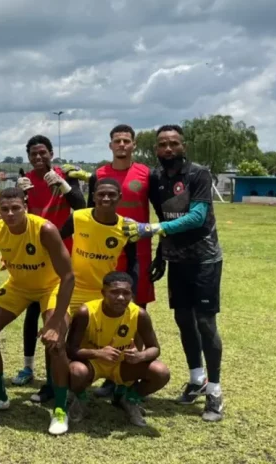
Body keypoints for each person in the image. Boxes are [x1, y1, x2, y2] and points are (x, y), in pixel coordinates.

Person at [136, 124, 225, 422]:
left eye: (174, 143)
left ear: (183, 146)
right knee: (183, 319)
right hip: (177, 261)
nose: (168, 149)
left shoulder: (198, 174)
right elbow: (164, 216)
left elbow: (197, 217)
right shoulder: (156, 178)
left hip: (205, 260)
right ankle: (196, 379)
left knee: (205, 323)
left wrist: (154, 230)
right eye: (162, 144)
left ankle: (214, 391)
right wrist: (162, 254)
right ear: (156, 150)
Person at [0, 188, 74, 435]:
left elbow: (69, 276)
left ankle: (60, 410)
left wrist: (56, 321)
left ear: (25, 206)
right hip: (18, 286)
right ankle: (0, 396)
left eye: (15, 208)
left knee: (56, 342)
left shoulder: (45, 229)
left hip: (50, 287)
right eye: (4, 209)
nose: (9, 214)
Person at [86, 125, 156, 398]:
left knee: (136, 311)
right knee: (105, 308)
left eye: (127, 141)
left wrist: (160, 251)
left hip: (137, 252)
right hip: (104, 252)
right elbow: (90, 211)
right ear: (110, 145)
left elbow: (158, 214)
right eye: (118, 141)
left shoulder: (146, 174)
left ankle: (129, 375)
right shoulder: (100, 175)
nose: (122, 145)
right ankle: (106, 372)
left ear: (134, 145)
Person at [11, 135, 87, 388]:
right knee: (32, 311)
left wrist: (64, 185)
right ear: (29, 156)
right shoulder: (26, 180)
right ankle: (27, 367)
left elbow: (81, 206)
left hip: (62, 250)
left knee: (55, 314)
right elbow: (16, 213)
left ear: (51, 153)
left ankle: (56, 373)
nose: (38, 157)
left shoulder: (65, 176)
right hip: (33, 252)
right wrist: (20, 192)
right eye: (33, 153)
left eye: (43, 152)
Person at [66, 271, 171, 428]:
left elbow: (154, 348)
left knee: (161, 372)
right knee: (76, 372)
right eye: (114, 292)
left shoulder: (140, 314)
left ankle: (130, 399)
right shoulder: (85, 312)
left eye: (126, 293)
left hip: (123, 365)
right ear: (103, 293)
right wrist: (98, 353)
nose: (121, 297)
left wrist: (140, 356)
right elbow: (70, 350)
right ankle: (80, 398)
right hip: (93, 363)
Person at [60, 178, 139, 315]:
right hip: (74, 290)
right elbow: (56, 240)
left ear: (120, 197)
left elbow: (133, 262)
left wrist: (133, 292)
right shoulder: (78, 217)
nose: (106, 199)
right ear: (93, 197)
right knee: (60, 332)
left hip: (106, 292)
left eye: (111, 194)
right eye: (101, 194)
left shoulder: (127, 227)